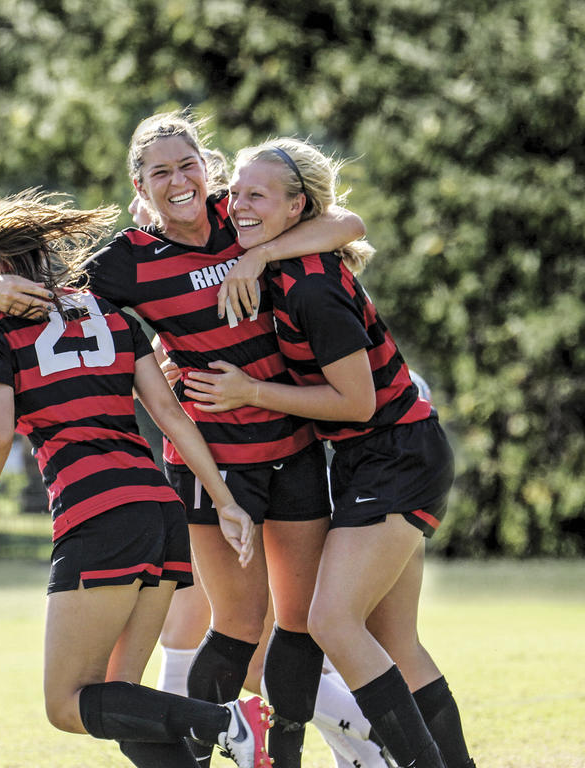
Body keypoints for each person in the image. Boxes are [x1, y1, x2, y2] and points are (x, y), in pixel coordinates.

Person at [0, 111, 365, 768]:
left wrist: (261, 255)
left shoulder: (243, 214)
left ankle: (352, 746)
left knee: (293, 634)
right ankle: (307, 740)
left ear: (208, 168)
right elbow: (54, 308)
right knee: (240, 634)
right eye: (161, 172)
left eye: (188, 165)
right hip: (208, 458)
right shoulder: (127, 259)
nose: (179, 180)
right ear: (141, 186)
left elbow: (348, 225)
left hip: (291, 445)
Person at [181, 138, 476, 768]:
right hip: (383, 457)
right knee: (395, 639)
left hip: (396, 454)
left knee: (333, 623)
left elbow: (358, 403)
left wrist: (248, 390)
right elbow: (340, 221)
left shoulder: (312, 288)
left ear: (296, 208)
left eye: (255, 195)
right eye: (236, 191)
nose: (237, 206)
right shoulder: (273, 247)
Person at [0, 189, 273, 768]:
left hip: (98, 515)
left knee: (66, 705)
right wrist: (223, 499)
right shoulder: (112, 316)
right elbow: (171, 415)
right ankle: (227, 727)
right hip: (160, 509)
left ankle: (224, 721)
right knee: (121, 701)